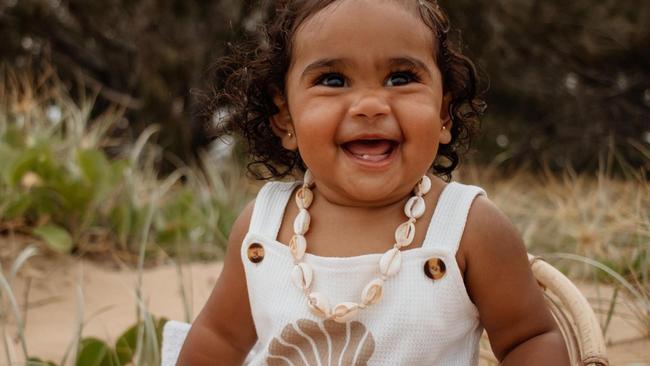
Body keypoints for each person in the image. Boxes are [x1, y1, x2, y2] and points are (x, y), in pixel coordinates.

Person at [178, 0, 570, 364]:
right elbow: (219, 338)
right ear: (285, 118)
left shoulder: (468, 228)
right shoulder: (264, 227)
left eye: (400, 78)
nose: (369, 106)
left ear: (444, 112)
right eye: (333, 80)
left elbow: (529, 338)